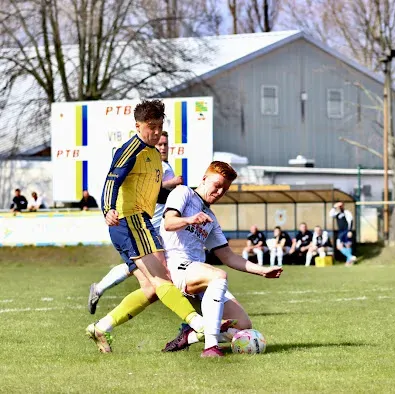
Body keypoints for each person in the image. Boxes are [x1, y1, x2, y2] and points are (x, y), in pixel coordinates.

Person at [85, 99, 207, 353]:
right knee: (163, 275)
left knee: (151, 289)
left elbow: (155, 196)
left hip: (142, 222)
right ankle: (199, 324)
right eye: (151, 126)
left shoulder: (153, 155)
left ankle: (100, 327)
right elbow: (111, 182)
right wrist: (108, 209)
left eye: (160, 126)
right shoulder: (131, 150)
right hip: (129, 221)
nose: (156, 132)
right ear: (138, 125)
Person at [160, 161, 282, 357]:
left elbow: (228, 256)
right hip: (176, 266)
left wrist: (262, 270)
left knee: (243, 325)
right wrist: (190, 219)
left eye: (224, 189)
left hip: (198, 271)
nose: (219, 192)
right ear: (204, 179)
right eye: (217, 186)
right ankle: (210, 347)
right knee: (219, 276)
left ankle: (190, 334)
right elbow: (168, 222)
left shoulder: (210, 218)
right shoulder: (183, 193)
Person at [87, 131, 183, 314]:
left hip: (151, 226)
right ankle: (192, 318)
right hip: (144, 225)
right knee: (157, 272)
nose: (162, 147)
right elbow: (155, 192)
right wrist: (174, 186)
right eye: (160, 143)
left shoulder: (161, 163)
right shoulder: (149, 162)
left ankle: (100, 295)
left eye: (165, 144)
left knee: (140, 270)